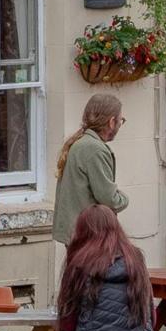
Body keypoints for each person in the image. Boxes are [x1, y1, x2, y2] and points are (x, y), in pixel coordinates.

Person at [52, 204, 161, 331]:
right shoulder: (135, 259)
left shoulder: (79, 262)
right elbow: (151, 318)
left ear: (82, 231)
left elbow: (68, 325)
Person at [53, 94, 129, 268]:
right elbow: (109, 199)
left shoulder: (80, 143)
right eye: (120, 120)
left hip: (78, 233)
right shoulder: (94, 149)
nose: (120, 125)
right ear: (111, 122)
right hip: (90, 234)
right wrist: (125, 199)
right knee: (92, 289)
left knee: (79, 287)